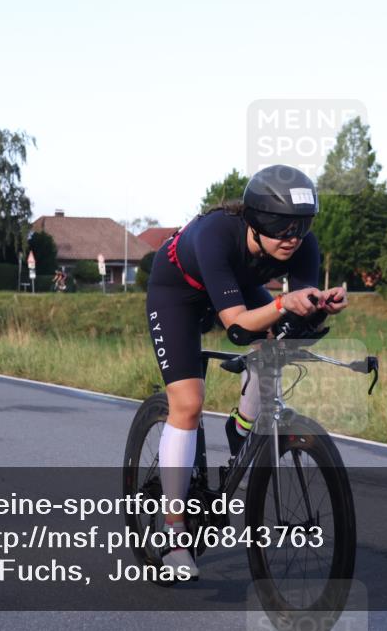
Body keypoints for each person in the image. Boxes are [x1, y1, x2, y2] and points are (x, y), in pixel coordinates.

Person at [145, 164, 348, 578]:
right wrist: (280, 304)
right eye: (281, 228)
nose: (292, 238)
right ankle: (172, 530)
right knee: (188, 403)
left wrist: (317, 305)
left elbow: (295, 316)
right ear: (256, 221)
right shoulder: (217, 233)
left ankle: (242, 428)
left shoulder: (302, 245)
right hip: (178, 294)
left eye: (301, 227)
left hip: (235, 287)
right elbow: (237, 325)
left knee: (273, 349)